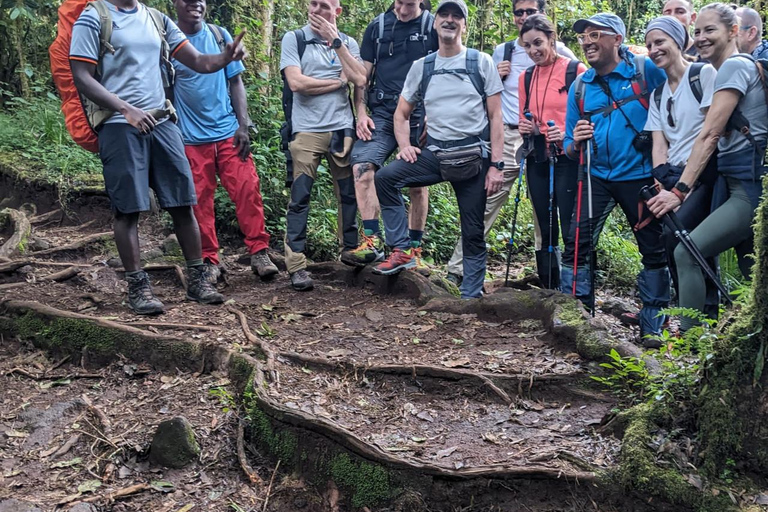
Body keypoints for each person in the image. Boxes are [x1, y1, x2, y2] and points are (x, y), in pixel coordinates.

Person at [70, 0, 248, 314]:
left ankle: (197, 280)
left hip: (161, 122)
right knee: (128, 209)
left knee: (183, 201)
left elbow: (198, 62)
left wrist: (225, 57)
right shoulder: (94, 17)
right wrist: (126, 109)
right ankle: (138, 288)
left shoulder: (156, 19)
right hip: (118, 124)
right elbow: (82, 76)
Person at [372, 0, 504, 299]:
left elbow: (496, 116)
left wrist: (497, 164)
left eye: (457, 16)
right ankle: (402, 248)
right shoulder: (423, 67)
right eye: (444, 15)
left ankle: (470, 295)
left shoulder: (480, 62)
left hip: (472, 156)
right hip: (434, 155)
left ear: (464, 25)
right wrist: (404, 146)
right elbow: (401, 113)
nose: (449, 20)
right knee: (386, 178)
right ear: (435, 23)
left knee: (472, 230)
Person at [648, 3, 765, 332]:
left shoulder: (732, 68)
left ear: (733, 32)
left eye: (710, 30)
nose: (701, 38)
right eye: (697, 31)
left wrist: (679, 191)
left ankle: (690, 346)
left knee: (688, 251)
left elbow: (710, 133)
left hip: (749, 187)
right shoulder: (729, 69)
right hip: (739, 184)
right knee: (752, 267)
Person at [445, 0, 576, 286]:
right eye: (519, 12)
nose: (524, 16)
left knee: (546, 208)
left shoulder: (564, 55)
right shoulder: (503, 51)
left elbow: (577, 96)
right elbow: (481, 95)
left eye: (531, 11)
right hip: (506, 133)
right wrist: (497, 74)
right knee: (487, 199)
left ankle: (551, 279)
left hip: (546, 140)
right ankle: (458, 269)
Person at [562, 13, 670, 338]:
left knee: (653, 249)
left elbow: (676, 98)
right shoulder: (580, 87)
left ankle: (654, 327)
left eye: (596, 34)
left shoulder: (644, 70)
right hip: (595, 177)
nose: (587, 41)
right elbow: (568, 146)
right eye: (584, 36)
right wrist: (576, 141)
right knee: (575, 246)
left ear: (618, 40)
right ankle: (577, 321)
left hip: (640, 178)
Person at [171, 0, 278, 284]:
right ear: (175, 4)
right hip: (191, 139)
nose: (195, 4)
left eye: (201, 0)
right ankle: (209, 260)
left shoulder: (220, 35)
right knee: (199, 202)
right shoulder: (168, 41)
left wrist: (243, 126)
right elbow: (165, 90)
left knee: (247, 190)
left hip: (228, 132)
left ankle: (259, 252)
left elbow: (236, 82)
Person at [279, 0, 367, 291]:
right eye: (313, 4)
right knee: (300, 196)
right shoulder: (295, 39)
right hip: (306, 130)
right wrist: (337, 83)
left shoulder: (348, 43)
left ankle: (350, 250)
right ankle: (296, 264)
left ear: (337, 11)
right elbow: (296, 83)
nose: (317, 10)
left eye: (325, 5)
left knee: (348, 194)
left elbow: (359, 78)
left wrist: (336, 42)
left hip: (342, 128)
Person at [344, 0, 437, 271]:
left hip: (419, 113)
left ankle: (413, 248)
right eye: (399, 3)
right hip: (383, 113)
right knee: (362, 168)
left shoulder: (432, 26)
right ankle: (372, 241)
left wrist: (435, 111)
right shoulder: (378, 27)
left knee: (417, 181)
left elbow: (441, 69)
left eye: (409, 4)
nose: (403, 10)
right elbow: (363, 77)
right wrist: (361, 112)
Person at [644, 16, 720, 322]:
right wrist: (661, 182)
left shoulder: (704, 75)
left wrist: (683, 187)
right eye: (649, 45)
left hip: (703, 176)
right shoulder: (658, 94)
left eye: (660, 42)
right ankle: (692, 316)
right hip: (673, 177)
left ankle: (705, 318)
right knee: (674, 240)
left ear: (679, 41)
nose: (653, 49)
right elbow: (658, 143)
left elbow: (712, 131)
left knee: (687, 241)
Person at [517, 15, 585, 289]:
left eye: (538, 43)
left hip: (568, 157)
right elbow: (526, 116)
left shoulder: (575, 71)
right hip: (538, 157)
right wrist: (528, 127)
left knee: (571, 225)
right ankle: (549, 288)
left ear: (551, 39)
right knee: (545, 226)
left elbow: (587, 116)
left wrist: (567, 134)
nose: (533, 50)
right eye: (527, 46)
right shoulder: (526, 76)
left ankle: (574, 289)